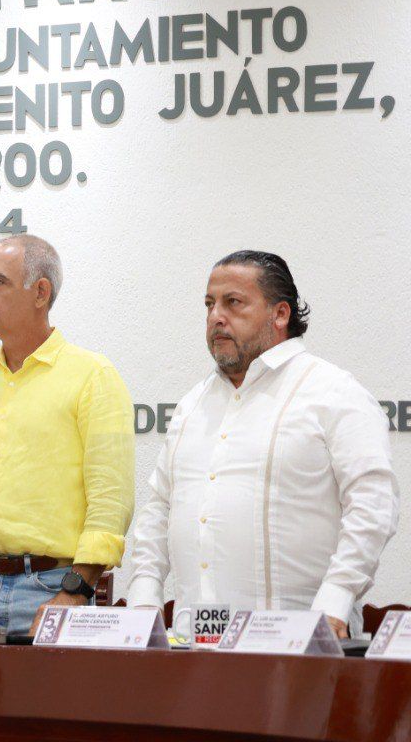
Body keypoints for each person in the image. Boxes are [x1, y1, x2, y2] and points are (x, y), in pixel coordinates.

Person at [126, 251, 398, 638]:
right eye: (209, 304)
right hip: (193, 647)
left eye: (233, 302)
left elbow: (373, 504)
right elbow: (159, 509)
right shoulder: (192, 405)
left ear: (280, 314)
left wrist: (336, 601)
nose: (216, 316)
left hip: (303, 643)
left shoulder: (333, 392)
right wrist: (143, 599)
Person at [0, 235, 135, 638]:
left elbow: (110, 502)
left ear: (41, 292)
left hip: (55, 589)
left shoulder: (92, 376)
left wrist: (75, 591)